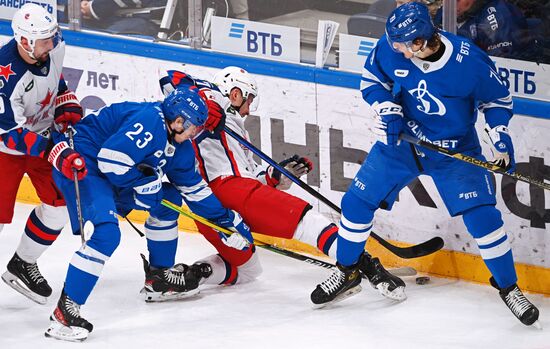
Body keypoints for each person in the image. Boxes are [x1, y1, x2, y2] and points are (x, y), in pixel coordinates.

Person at [310, 2, 540, 327]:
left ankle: (508, 288)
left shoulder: (468, 61)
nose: (397, 51)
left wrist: (499, 132)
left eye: (404, 45)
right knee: (356, 203)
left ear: (420, 42)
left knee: (484, 219)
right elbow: (371, 81)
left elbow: (497, 101)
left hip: (453, 151)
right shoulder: (391, 47)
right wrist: (387, 109)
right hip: (404, 142)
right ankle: (347, 271)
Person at [147, 67, 406, 303]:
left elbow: (248, 180)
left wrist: (274, 176)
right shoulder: (212, 105)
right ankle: (367, 267)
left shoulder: (234, 130)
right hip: (230, 192)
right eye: (248, 101)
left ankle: (193, 274)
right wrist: (205, 98)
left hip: (207, 207)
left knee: (248, 271)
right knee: (310, 222)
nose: (248, 109)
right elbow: (170, 78)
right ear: (235, 93)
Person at [44, 87, 252, 342]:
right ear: (178, 121)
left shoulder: (180, 146)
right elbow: (110, 161)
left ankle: (158, 278)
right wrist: (141, 182)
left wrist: (225, 222)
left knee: (169, 199)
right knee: (106, 234)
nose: (194, 134)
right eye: (192, 128)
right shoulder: (150, 121)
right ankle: (65, 312)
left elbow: (194, 190)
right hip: (85, 165)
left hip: (111, 173)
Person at [0, 3, 84, 305]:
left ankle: (22, 263)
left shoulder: (53, 48)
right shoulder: (4, 75)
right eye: (45, 40)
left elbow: (56, 82)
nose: (53, 44)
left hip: (43, 142)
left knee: (59, 207)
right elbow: (11, 133)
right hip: (5, 150)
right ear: (25, 41)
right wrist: (55, 151)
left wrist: (66, 104)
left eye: (53, 37)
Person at [453, 0, 539, 61]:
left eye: (458, 0)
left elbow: (503, 62)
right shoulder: (447, 11)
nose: (453, 5)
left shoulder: (498, 16)